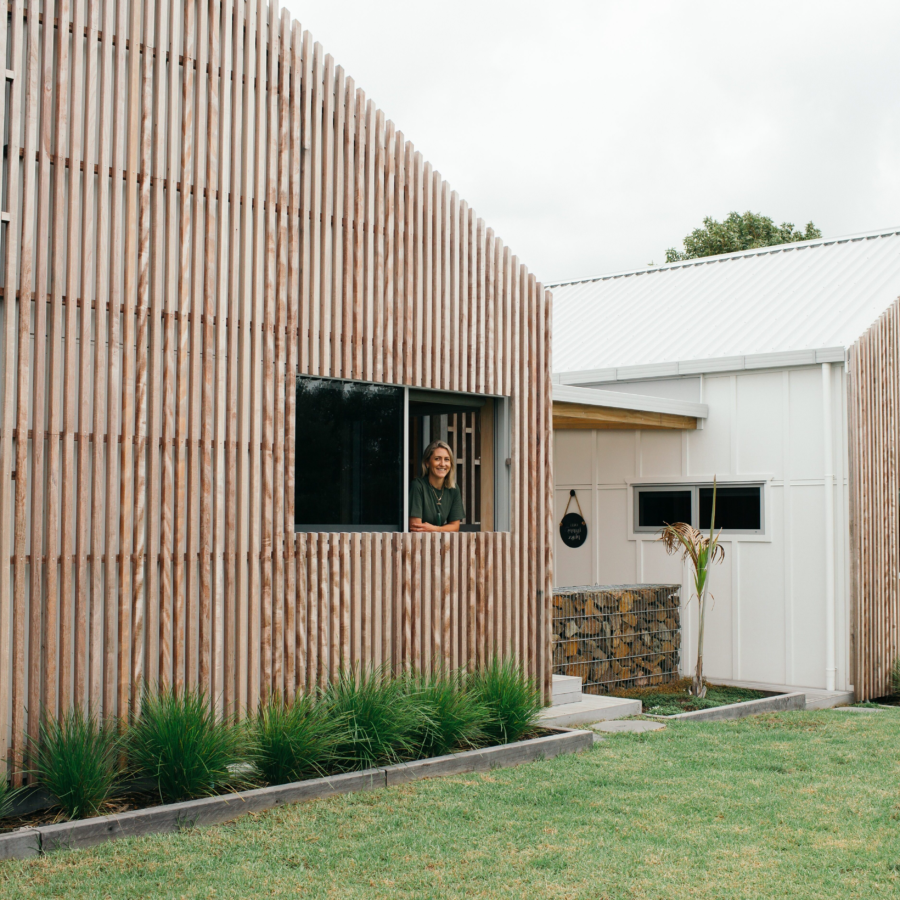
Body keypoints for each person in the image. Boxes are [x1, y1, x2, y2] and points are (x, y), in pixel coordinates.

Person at [408, 440, 465, 532]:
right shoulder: (418, 486)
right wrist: (444, 529)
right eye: (437, 459)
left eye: (446, 459)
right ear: (427, 463)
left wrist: (435, 529)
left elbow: (455, 527)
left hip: (442, 541)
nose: (442, 464)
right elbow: (416, 527)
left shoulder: (453, 489)